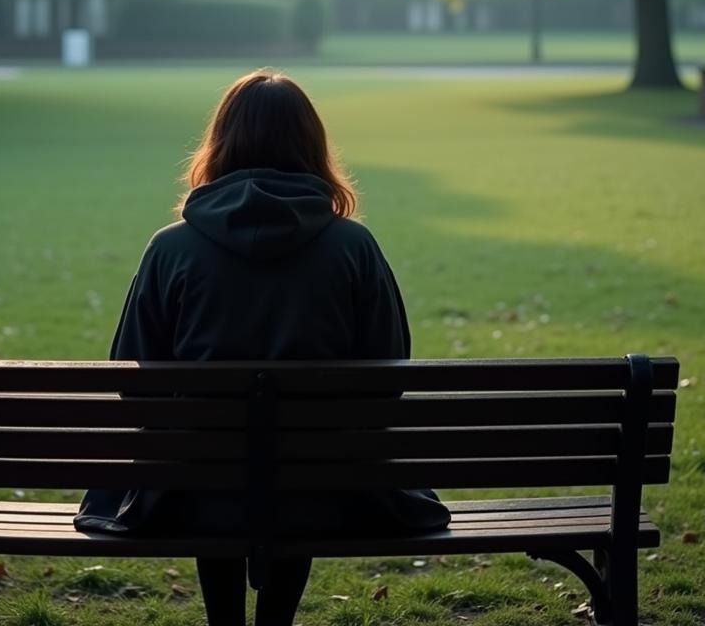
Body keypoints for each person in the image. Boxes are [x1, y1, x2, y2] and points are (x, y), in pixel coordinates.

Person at [75, 69, 450, 626]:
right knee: (300, 467)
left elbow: (132, 381)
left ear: (220, 143)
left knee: (210, 470)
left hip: (192, 491)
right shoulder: (354, 247)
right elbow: (388, 379)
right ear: (312, 144)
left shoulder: (172, 250)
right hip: (326, 490)